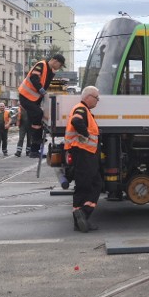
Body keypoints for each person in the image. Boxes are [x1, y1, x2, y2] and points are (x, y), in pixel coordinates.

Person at [64, 86, 102, 232]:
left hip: (84, 154)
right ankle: (83, 214)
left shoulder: (84, 110)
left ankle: (79, 220)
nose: (97, 101)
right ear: (88, 97)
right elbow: (76, 121)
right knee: (91, 185)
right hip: (84, 154)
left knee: (85, 186)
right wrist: (85, 134)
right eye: (96, 98)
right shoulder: (81, 109)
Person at [17, 53, 65, 158]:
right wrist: (41, 90)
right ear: (55, 61)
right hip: (26, 96)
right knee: (38, 114)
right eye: (60, 65)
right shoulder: (41, 65)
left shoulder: (50, 70)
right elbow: (34, 78)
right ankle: (36, 142)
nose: (59, 68)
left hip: (34, 98)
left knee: (36, 119)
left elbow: (46, 83)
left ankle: (34, 149)